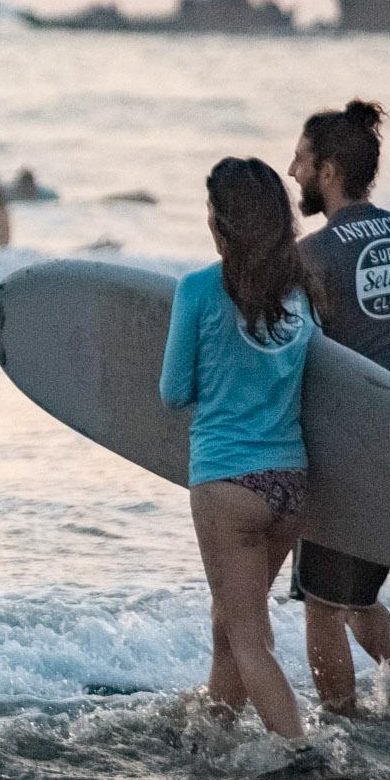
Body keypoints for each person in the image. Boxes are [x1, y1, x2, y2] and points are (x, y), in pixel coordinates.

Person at [287, 99, 390, 714]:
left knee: (322, 604)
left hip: (338, 457)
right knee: (355, 597)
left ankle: (343, 729)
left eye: (301, 158)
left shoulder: (315, 256)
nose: (292, 170)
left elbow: (292, 363)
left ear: (328, 170)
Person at [160, 157, 315, 743]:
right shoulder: (300, 294)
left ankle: (299, 748)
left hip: (228, 484)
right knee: (230, 620)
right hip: (292, 485)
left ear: (222, 222)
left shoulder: (198, 290)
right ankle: (216, 733)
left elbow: (174, 392)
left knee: (250, 636)